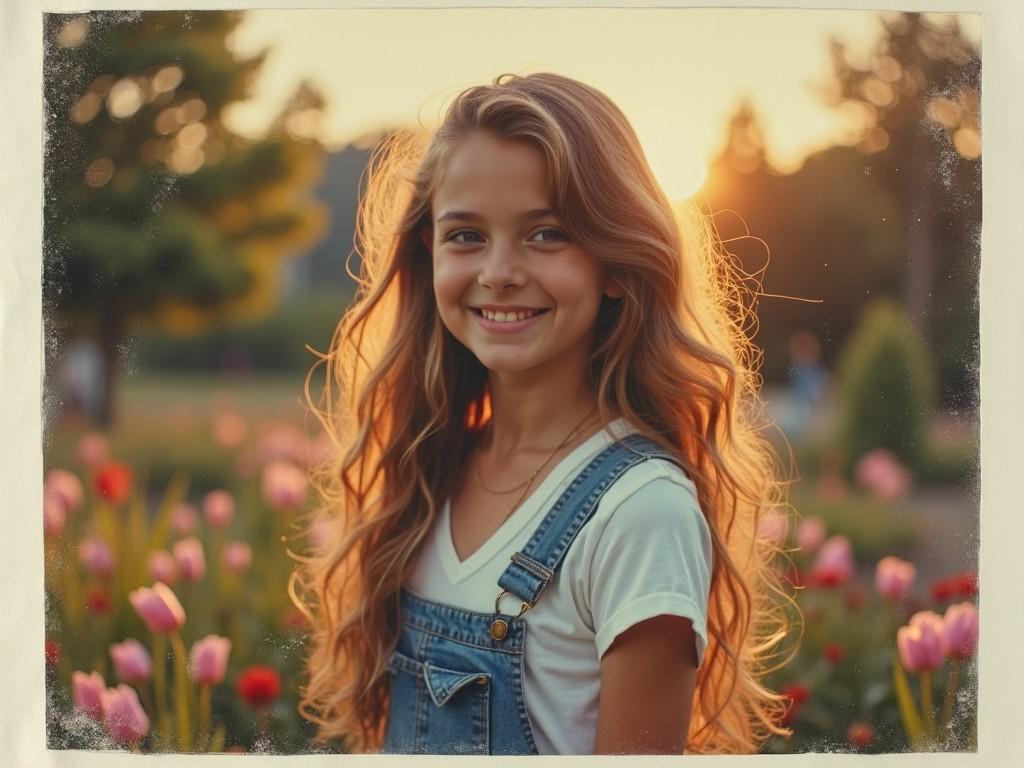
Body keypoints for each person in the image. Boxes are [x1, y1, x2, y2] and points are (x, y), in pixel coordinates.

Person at [292, 72, 793, 755]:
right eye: (465, 235)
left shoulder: (639, 511)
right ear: (427, 253)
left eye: (547, 234)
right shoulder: (430, 469)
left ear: (615, 264)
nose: (498, 271)